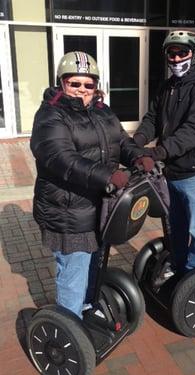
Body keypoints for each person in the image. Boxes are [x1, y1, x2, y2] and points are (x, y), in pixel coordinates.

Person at [30, 51, 154, 319]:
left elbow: (120, 141)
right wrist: (106, 176)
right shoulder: (50, 115)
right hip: (68, 210)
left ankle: (87, 306)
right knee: (74, 271)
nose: (82, 91)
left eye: (88, 85)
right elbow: (61, 158)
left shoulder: (101, 111)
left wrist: (138, 156)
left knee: (95, 261)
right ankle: (69, 326)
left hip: (100, 206)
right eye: (75, 83)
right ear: (62, 82)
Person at [132, 30, 195, 276]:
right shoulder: (167, 86)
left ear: (193, 54)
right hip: (171, 174)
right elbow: (152, 118)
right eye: (171, 53)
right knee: (176, 227)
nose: (176, 58)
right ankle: (179, 269)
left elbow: (194, 131)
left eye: (182, 52)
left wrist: (158, 152)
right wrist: (137, 141)